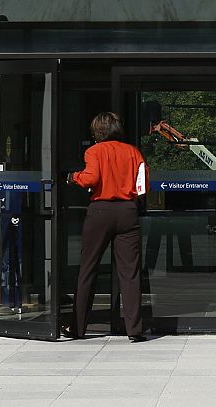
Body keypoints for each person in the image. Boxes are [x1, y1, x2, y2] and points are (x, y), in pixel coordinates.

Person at [64, 111, 150, 342]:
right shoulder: (133, 152)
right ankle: (135, 329)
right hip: (128, 212)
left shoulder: (94, 151)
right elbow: (142, 186)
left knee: (88, 268)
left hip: (100, 210)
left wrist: (73, 177)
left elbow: (91, 179)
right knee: (130, 273)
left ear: (97, 132)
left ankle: (78, 327)